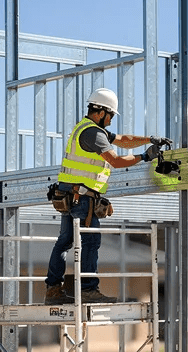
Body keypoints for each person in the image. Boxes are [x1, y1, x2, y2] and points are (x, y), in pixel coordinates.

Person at [44, 88, 170, 304]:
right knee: (91, 241)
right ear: (101, 112)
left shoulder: (85, 128)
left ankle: (53, 290)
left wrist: (149, 139)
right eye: (110, 115)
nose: (111, 121)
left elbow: (123, 139)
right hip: (82, 198)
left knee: (65, 241)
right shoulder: (93, 133)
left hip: (69, 195)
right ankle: (88, 290)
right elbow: (116, 161)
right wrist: (145, 156)